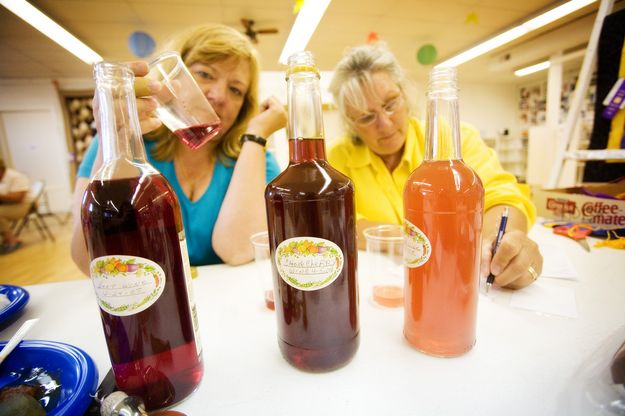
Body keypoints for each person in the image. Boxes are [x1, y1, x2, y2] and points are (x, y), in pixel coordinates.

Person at [71, 24, 287, 274]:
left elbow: (238, 250)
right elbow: (89, 261)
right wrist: (114, 140)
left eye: (235, 89)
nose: (218, 95)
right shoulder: (119, 144)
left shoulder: (256, 156)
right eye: (205, 74)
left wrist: (257, 136)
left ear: (243, 106)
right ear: (167, 79)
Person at [327, 42, 543, 290]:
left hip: (456, 283)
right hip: (383, 286)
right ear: (351, 123)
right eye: (366, 117)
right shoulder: (337, 158)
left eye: (390, 104)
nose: (385, 124)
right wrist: (416, 240)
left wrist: (502, 242)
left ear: (405, 96)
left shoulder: (454, 139)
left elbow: (501, 195)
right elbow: (337, 223)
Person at [0, 159, 30, 254]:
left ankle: (12, 240)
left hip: (22, 205)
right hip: (7, 205)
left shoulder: (16, 177)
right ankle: (6, 239)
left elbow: (18, 198)